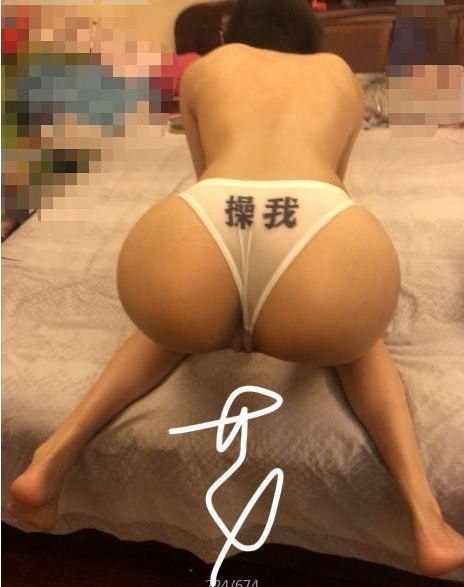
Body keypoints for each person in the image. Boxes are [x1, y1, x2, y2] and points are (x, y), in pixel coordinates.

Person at [7, 0, 464, 577]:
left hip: (203, 221)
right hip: (315, 218)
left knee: (165, 329)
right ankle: (425, 517)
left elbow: (208, 174)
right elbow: (334, 181)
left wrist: (237, 300)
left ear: (231, 34)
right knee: (359, 343)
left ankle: (50, 459)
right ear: (309, 37)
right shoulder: (339, 74)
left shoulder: (205, 70)